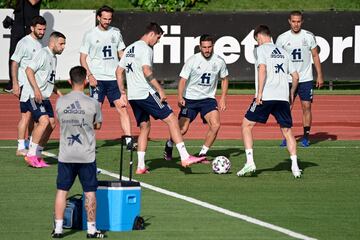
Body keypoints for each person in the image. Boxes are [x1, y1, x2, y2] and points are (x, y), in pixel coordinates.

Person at [116, 22, 205, 174]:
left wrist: (122, 93)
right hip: (146, 93)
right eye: (157, 38)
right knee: (171, 119)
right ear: (152, 34)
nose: (157, 42)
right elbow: (146, 70)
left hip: (133, 96)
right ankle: (184, 156)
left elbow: (118, 72)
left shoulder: (130, 48)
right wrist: (160, 89)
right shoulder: (145, 48)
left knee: (145, 126)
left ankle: (141, 166)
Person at [236, 25, 302, 178]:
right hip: (282, 97)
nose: (257, 43)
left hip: (266, 96)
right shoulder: (284, 52)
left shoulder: (261, 50)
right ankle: (295, 167)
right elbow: (296, 76)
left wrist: (259, 93)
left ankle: (250, 162)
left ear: (259, 36)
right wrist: (291, 93)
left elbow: (262, 69)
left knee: (246, 125)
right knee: (287, 131)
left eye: (256, 40)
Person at [52, 66, 104, 239]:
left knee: (62, 190)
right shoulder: (92, 103)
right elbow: (98, 125)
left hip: (66, 153)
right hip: (86, 154)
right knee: (89, 191)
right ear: (86, 81)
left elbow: (59, 121)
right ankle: (91, 230)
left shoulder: (60, 101)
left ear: (69, 81)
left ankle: (58, 229)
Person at [163, 34, 229, 163]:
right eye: (204, 47)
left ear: (213, 46)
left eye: (209, 47)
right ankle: (169, 145)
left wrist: (223, 98)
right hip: (190, 100)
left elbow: (225, 79)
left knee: (215, 125)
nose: (207, 50)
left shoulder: (219, 61)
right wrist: (180, 96)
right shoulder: (192, 60)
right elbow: (182, 80)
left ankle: (202, 154)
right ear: (200, 47)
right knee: (182, 129)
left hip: (208, 99)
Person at [80, 5, 133, 149]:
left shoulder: (116, 32)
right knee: (95, 114)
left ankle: (129, 141)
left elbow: (121, 53)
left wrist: (129, 67)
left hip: (114, 79)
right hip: (97, 79)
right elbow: (83, 58)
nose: (107, 21)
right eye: (104, 19)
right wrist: (89, 75)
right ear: (98, 17)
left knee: (122, 108)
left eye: (109, 19)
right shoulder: (90, 34)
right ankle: (87, 141)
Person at [276, 11, 324, 147]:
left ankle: (306, 136)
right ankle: (286, 136)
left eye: (298, 21)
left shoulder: (308, 36)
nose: (296, 24)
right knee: (286, 107)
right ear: (289, 21)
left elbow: (315, 56)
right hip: (288, 79)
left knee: (306, 106)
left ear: (302, 22)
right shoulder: (282, 38)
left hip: (305, 78)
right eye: (293, 21)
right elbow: (277, 58)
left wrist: (319, 75)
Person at [23, 31, 66, 168]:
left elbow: (48, 80)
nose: (63, 46)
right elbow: (29, 70)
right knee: (44, 121)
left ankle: (38, 154)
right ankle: (30, 155)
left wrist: (59, 93)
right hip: (34, 95)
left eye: (64, 44)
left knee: (52, 124)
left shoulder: (54, 58)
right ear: (52, 43)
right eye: (61, 43)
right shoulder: (43, 53)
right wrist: (36, 90)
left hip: (44, 97)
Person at [11, 15, 46, 156]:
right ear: (32, 28)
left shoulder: (39, 43)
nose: (42, 32)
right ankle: (20, 147)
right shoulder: (24, 43)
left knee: (32, 116)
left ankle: (31, 142)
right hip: (26, 86)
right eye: (40, 29)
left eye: (44, 29)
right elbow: (14, 62)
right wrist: (15, 83)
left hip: (35, 86)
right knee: (26, 116)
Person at [5, 0, 42, 93]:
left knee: (31, 55)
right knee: (13, 55)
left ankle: (32, 82)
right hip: (17, 25)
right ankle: (13, 83)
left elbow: (33, 2)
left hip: (30, 26)